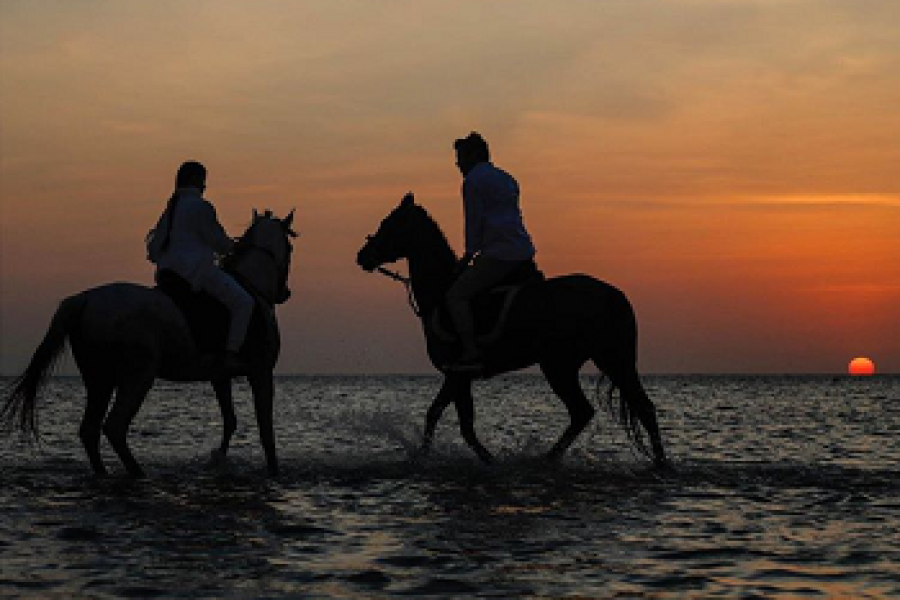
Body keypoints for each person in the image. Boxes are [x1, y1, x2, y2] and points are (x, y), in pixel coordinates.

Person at [147, 161, 253, 370]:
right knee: (244, 302)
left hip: (166, 274)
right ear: (197, 181)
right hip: (196, 272)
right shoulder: (201, 207)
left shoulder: (170, 210)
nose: (205, 186)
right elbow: (220, 244)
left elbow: (152, 251)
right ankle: (231, 354)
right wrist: (238, 247)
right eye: (203, 181)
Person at [445, 132, 536, 371]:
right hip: (523, 251)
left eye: (461, 157)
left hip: (499, 255)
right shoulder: (507, 178)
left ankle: (471, 351)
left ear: (474, 155)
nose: (458, 163)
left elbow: (474, 222)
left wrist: (467, 257)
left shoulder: (473, 182)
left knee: (457, 296)